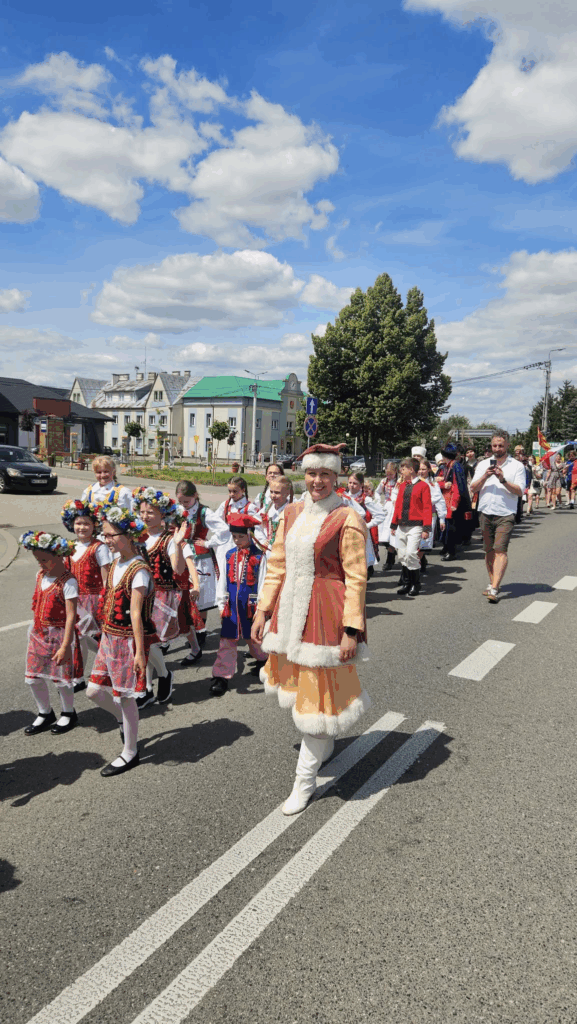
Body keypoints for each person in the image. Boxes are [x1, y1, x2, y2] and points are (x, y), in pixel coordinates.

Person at [252, 442, 370, 816]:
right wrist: (263, 610)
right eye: (312, 473)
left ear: (336, 477)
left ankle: (303, 782)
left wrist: (351, 629)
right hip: (291, 612)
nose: (317, 480)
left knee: (317, 702)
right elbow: (276, 565)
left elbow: (356, 577)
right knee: (305, 692)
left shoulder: (347, 517)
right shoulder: (291, 512)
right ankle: (322, 740)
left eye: (325, 474)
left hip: (325, 615)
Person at [87, 505, 157, 776]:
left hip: (127, 641)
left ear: (128, 536)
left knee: (125, 697)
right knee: (94, 691)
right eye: (104, 535)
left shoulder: (138, 570)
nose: (106, 540)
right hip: (110, 638)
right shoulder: (117, 562)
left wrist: (140, 652)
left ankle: (130, 751)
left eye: (110, 535)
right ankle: (122, 722)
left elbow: (137, 614)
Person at [131, 487, 193, 707]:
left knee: (147, 642)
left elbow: (177, 569)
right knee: (142, 641)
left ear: (162, 514)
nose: (146, 516)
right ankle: (147, 687)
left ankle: (163, 675)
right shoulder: (137, 536)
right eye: (142, 511)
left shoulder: (168, 538)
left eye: (151, 512)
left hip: (161, 596)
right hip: (141, 594)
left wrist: (177, 543)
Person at [20, 530, 81, 736]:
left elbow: (71, 617)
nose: (40, 564)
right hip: (38, 633)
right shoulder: (40, 575)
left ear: (59, 556)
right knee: (33, 677)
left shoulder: (68, 581)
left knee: (61, 678)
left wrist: (66, 646)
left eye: (44, 560)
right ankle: (45, 712)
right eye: (38, 560)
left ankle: (68, 712)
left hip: (59, 636)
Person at [210, 513, 268, 696]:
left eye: (240, 536)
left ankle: (265, 663)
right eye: (234, 536)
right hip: (231, 607)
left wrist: (261, 609)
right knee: (227, 640)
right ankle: (221, 676)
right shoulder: (229, 555)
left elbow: (263, 582)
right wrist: (221, 604)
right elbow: (222, 582)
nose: (236, 540)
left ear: (250, 534)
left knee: (254, 639)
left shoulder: (260, 557)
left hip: (250, 606)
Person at [61, 498, 112, 692]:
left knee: (91, 636)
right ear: (71, 524)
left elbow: (106, 576)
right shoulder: (69, 547)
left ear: (94, 526)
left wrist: (106, 598)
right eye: (78, 523)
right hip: (75, 599)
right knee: (78, 638)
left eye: (86, 523)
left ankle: (106, 659)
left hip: (94, 599)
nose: (82, 527)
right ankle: (79, 675)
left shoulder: (99, 548)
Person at [470, 432, 526, 603]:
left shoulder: (517, 466)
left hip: (506, 513)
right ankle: (493, 582)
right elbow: (473, 488)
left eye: (500, 445)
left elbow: (519, 491)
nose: (497, 449)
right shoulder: (483, 464)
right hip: (485, 511)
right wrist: (486, 476)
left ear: (507, 445)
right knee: (489, 550)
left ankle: (494, 588)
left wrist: (502, 479)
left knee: (500, 549)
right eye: (494, 445)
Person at [174, 480, 231, 640]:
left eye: (186, 501)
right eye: (181, 501)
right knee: (183, 593)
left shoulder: (204, 512)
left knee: (201, 596)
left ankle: (201, 631)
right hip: (182, 556)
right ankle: (191, 629)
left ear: (195, 496)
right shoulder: (177, 510)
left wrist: (208, 542)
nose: (184, 505)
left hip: (201, 559)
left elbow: (224, 530)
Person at [390, 457, 432, 596]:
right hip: (402, 525)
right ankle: (407, 583)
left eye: (403, 468)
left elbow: (427, 508)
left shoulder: (423, 486)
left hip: (416, 526)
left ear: (411, 470)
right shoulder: (402, 486)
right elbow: (398, 506)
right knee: (402, 554)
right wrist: (394, 524)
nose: (401, 471)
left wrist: (426, 528)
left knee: (411, 553)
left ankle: (416, 584)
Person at [343, 471, 386, 577]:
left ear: (361, 485)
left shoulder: (365, 499)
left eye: (355, 483)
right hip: (344, 533)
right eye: (350, 483)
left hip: (359, 534)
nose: (351, 486)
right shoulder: (343, 497)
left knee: (359, 562)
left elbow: (381, 515)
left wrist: (367, 525)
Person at [438, 443, 472, 560]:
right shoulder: (447, 466)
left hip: (453, 500)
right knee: (446, 526)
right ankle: (446, 547)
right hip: (446, 499)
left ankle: (451, 551)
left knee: (451, 527)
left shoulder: (455, 466)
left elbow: (458, 486)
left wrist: (455, 503)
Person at [417, 459, 447, 574]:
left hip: (430, 515)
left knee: (424, 542)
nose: (421, 471)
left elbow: (439, 500)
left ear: (429, 469)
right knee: (415, 541)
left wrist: (442, 518)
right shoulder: (413, 481)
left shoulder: (432, 483)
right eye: (419, 469)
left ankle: (418, 563)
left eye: (424, 469)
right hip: (414, 516)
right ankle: (420, 561)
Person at [376, 462, 398, 569]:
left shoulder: (399, 481)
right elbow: (377, 492)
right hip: (386, 507)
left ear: (396, 472)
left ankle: (390, 559)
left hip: (396, 508)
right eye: (387, 474)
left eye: (391, 474)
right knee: (383, 535)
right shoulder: (384, 481)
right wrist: (378, 502)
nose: (389, 476)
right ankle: (392, 553)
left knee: (391, 535)